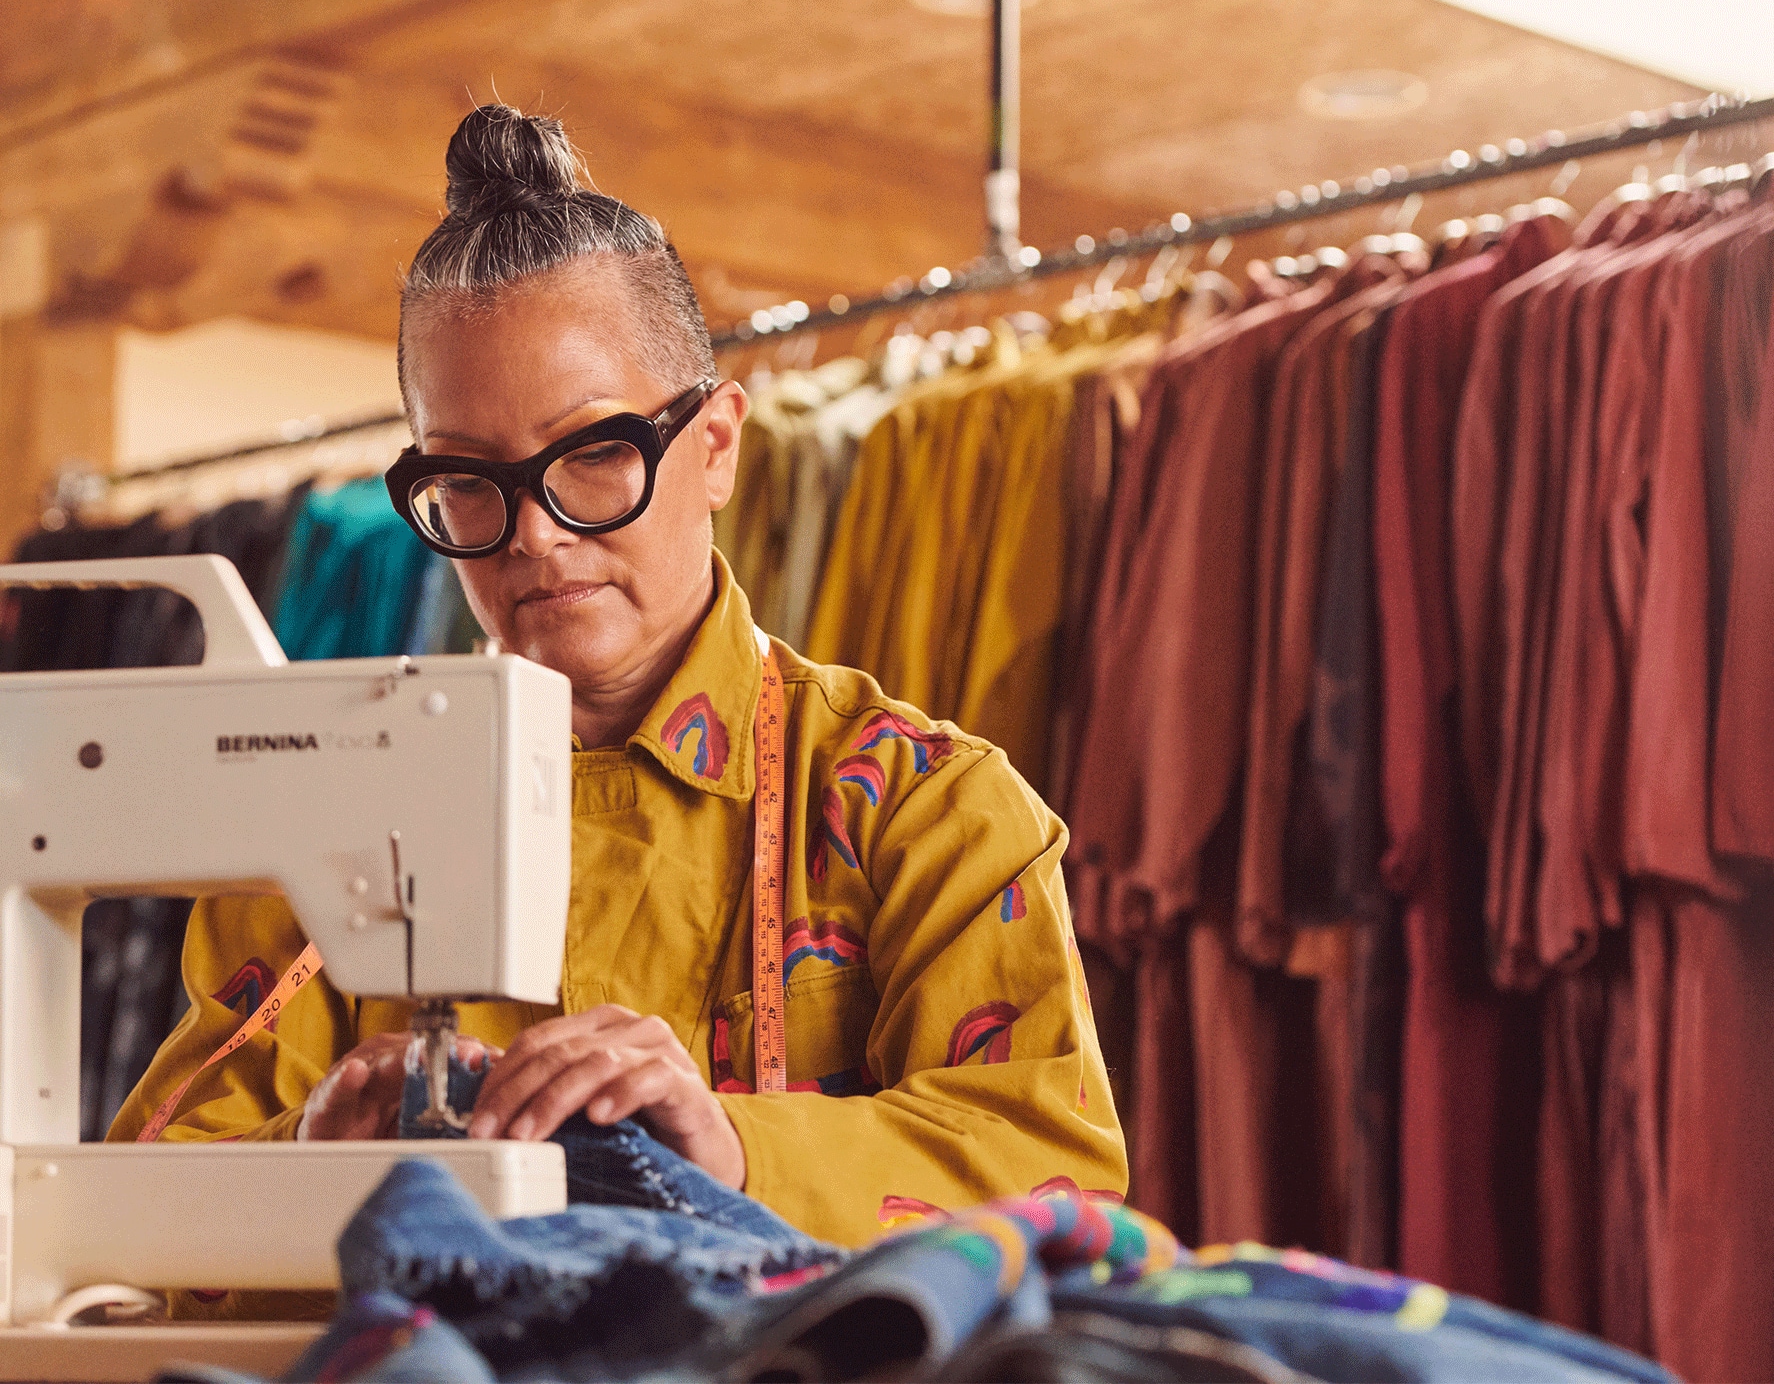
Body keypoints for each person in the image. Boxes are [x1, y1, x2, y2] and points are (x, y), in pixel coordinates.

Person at [110, 105, 1125, 1254]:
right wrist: (310, 1157)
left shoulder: (930, 811)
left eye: (595, 455)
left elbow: (1058, 1183)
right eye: (467, 480)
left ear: (718, 444)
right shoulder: (324, 817)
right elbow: (138, 1211)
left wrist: (734, 1150)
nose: (533, 535)